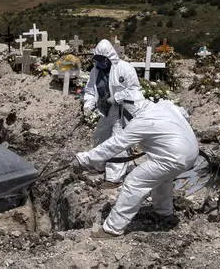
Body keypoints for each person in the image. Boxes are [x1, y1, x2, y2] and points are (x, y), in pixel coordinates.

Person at [72, 67, 199, 239]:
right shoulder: (164, 105)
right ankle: (164, 212)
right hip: (191, 153)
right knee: (163, 178)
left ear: (128, 109)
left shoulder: (140, 122)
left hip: (174, 156)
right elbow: (183, 116)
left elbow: (115, 145)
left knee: (135, 181)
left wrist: (84, 159)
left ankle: (112, 229)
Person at [82, 39, 136, 188]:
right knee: (100, 137)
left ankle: (114, 178)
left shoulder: (125, 69)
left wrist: (118, 97)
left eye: (102, 60)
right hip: (106, 111)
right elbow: (91, 90)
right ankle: (99, 166)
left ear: (109, 58)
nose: (100, 63)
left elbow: (134, 90)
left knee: (118, 143)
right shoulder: (95, 72)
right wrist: (88, 104)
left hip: (122, 111)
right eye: (97, 60)